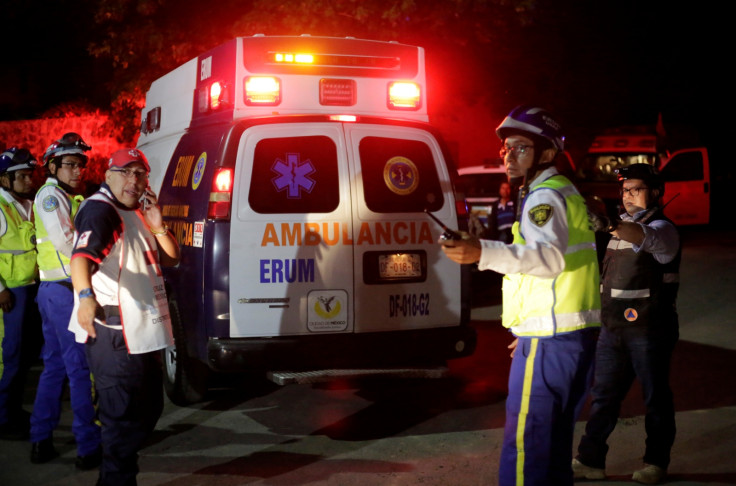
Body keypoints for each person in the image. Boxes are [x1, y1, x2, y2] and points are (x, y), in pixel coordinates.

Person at [439, 105, 601, 485]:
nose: (508, 156)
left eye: (520, 148)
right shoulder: (563, 191)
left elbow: (548, 259)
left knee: (528, 443)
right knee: (552, 443)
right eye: (506, 149)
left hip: (551, 339)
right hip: (567, 336)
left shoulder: (544, 197)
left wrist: (482, 252)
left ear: (546, 154)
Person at [69, 148, 179, 486]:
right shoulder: (102, 212)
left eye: (140, 173)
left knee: (146, 413)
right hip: (116, 336)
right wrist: (85, 298)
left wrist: (158, 226)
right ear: (108, 175)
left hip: (143, 332)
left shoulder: (138, 212)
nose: (134, 180)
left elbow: (172, 258)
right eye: (125, 172)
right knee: (122, 424)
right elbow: (81, 259)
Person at [573, 163, 680, 484]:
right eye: (624, 190)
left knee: (655, 397)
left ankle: (656, 463)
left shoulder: (663, 228)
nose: (628, 195)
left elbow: (643, 237)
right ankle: (590, 460)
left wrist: (610, 224)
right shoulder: (620, 228)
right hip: (613, 328)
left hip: (651, 328)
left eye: (636, 189)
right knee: (603, 395)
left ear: (656, 193)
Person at [29, 132, 101, 468]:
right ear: (53, 166)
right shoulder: (50, 196)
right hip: (62, 291)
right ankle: (88, 447)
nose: (78, 170)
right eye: (70, 164)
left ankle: (40, 439)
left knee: (55, 366)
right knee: (77, 367)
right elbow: (67, 241)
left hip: (54, 291)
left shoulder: (67, 196)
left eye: (81, 165)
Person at [0, 147, 41, 440]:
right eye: (22, 176)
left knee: (24, 356)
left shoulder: (25, 203)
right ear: (5, 180)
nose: (29, 180)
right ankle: (4, 419)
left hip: (29, 290)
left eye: (30, 174)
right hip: (10, 294)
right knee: (9, 358)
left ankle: (12, 410)